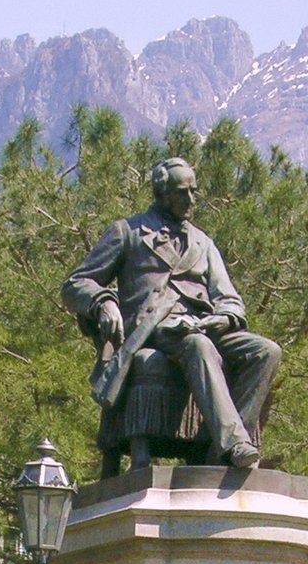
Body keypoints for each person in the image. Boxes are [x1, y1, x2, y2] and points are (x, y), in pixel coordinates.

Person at [62, 158, 281, 470]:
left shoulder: (203, 242)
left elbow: (229, 298)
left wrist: (225, 318)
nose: (191, 199)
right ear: (161, 193)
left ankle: (221, 449)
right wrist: (102, 302)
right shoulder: (127, 232)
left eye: (194, 191)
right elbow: (75, 284)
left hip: (203, 325)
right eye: (182, 192)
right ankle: (235, 444)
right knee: (197, 344)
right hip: (155, 327)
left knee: (266, 351)